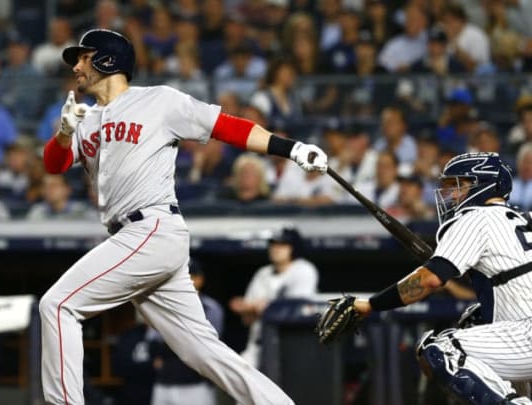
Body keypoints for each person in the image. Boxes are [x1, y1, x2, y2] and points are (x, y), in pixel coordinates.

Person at [39, 29, 327, 405]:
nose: (76, 66)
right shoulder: (86, 118)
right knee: (203, 350)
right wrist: (64, 133)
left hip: (150, 228)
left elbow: (226, 126)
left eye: (83, 57)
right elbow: (53, 164)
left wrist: (291, 149)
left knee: (58, 305)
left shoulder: (159, 101)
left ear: (107, 60)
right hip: (138, 238)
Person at [341, 152, 532, 404]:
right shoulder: (525, 217)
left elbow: (430, 280)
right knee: (474, 321)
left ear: (484, 184)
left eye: (460, 185)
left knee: (441, 350)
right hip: (522, 332)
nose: (452, 194)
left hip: (527, 333)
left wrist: (372, 304)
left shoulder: (475, 218)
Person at [229, 228, 318, 369]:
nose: (276, 249)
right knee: (235, 374)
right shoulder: (262, 273)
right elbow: (246, 318)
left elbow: (293, 311)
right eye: (273, 244)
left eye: (282, 245)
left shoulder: (303, 270)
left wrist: (259, 307)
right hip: (258, 345)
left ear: (294, 249)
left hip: (290, 344)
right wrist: (257, 307)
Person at [149, 259, 223, 405]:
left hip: (196, 385)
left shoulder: (210, 307)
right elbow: (153, 341)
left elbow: (209, 345)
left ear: (200, 279)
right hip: (165, 383)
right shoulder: (162, 304)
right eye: (183, 277)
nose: (187, 281)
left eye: (191, 276)